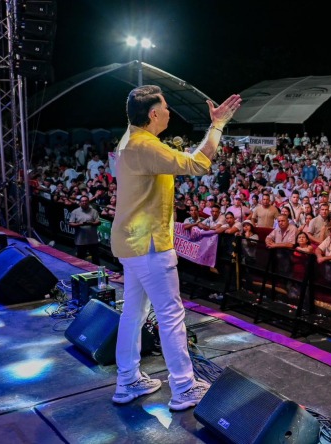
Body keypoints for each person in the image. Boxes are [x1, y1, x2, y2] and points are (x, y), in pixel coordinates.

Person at [111, 85, 241, 410]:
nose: (170, 112)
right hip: (150, 245)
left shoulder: (130, 140)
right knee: (170, 314)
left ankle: (127, 381)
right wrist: (218, 125)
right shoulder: (145, 145)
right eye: (166, 107)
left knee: (134, 312)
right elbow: (198, 164)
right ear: (154, 113)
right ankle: (184, 386)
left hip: (131, 242)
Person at [68, 196, 101, 265]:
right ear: (80, 202)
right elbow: (71, 223)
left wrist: (91, 223)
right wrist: (80, 224)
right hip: (80, 241)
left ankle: (97, 273)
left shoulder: (94, 211)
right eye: (82, 201)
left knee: (96, 259)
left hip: (93, 240)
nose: (84, 202)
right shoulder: (75, 212)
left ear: (88, 202)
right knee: (80, 259)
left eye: (86, 201)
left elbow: (98, 222)